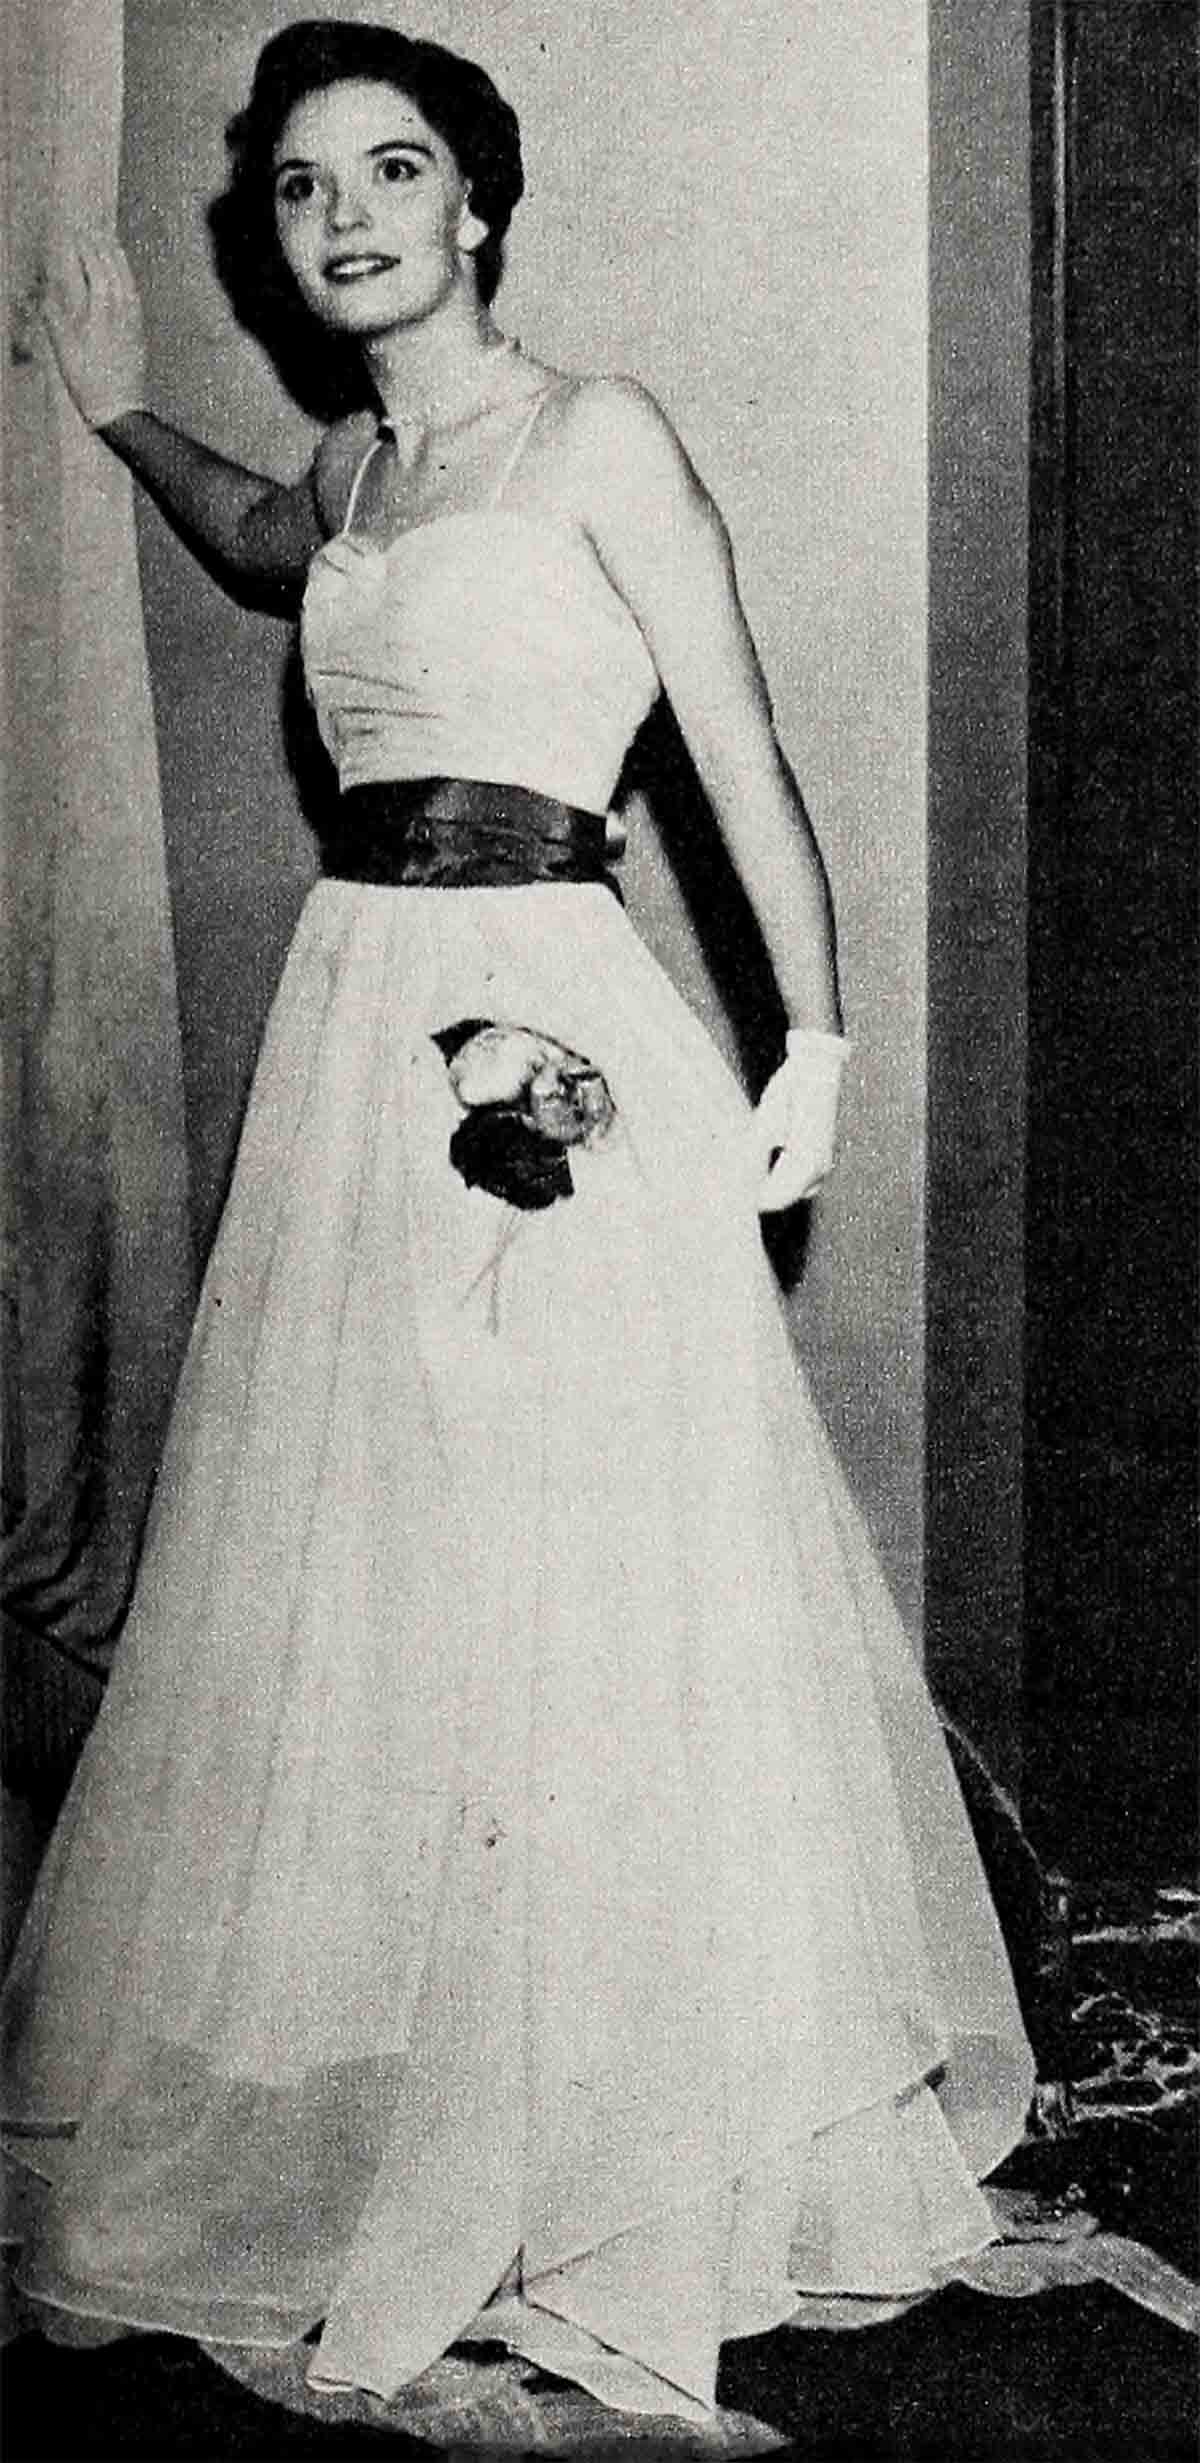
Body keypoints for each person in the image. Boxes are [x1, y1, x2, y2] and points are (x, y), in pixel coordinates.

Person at [3, 18, 1034, 2429]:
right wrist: (117, 414)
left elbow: (736, 749)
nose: (345, 217)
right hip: (352, 1038)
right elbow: (266, 538)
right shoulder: (359, 464)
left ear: (477, 202)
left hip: (548, 1020)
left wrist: (815, 1044)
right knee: (372, 1555)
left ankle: (618, 2119)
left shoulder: (601, 436)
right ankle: (424, 2059)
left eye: (392, 171)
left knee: (578, 1558)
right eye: (298, 188)